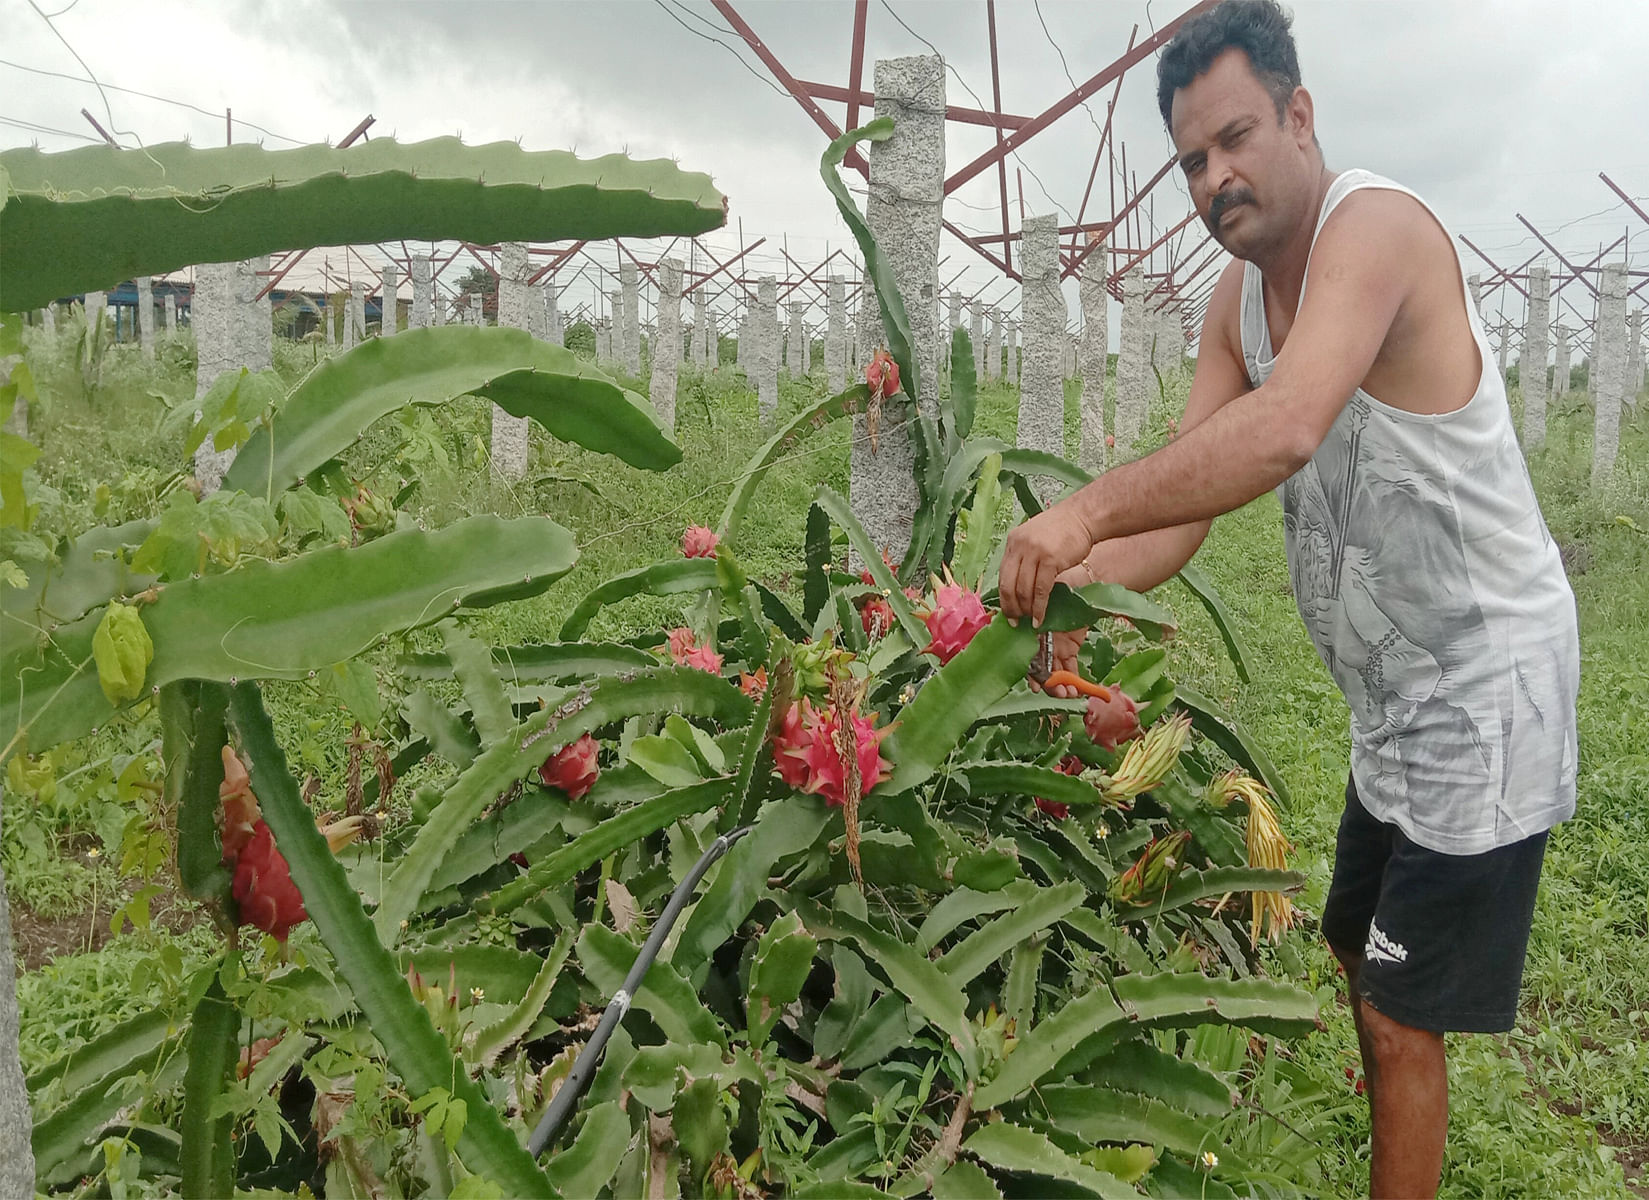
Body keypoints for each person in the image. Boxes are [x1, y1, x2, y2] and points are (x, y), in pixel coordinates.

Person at [996, 2, 1579, 1196]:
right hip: (1392, 705)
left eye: (1235, 137)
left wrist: (1080, 510)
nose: (1215, 177)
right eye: (1192, 161)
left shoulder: (1373, 232)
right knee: (1349, 953)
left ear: (1298, 115)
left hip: (1482, 695)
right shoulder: (1230, 305)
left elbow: (1286, 424)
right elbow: (1175, 519)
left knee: (1398, 1013)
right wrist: (1058, 589)